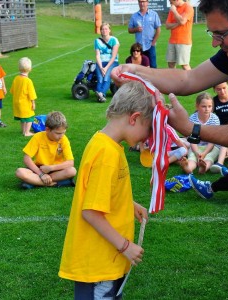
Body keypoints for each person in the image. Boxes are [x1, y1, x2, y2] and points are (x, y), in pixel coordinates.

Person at [111, 1, 228, 298]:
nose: (214, 43)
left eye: (220, 34)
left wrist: (193, 129)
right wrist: (134, 69)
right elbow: (188, 80)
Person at [58, 81, 153, 299]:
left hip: (106, 259)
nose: (146, 138)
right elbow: (90, 212)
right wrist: (125, 246)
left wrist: (129, 205)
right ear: (134, 118)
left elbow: (102, 193)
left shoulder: (109, 144)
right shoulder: (106, 155)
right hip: (98, 263)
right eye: (147, 129)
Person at [16, 111, 77, 189]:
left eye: (63, 133)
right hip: (39, 169)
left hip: (56, 169)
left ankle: (33, 182)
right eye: (58, 133)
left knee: (72, 171)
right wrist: (41, 174)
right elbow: (26, 158)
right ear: (47, 129)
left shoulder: (64, 139)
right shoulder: (38, 137)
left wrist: (51, 168)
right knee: (20, 172)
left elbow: (70, 163)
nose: (61, 136)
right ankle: (53, 183)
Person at [182, 92, 220, 174]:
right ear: (197, 106)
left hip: (211, 146)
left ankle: (204, 168)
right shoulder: (193, 118)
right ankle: (188, 168)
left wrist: (205, 152)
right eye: (204, 106)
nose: (207, 109)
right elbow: (192, 139)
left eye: (209, 106)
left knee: (210, 157)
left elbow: (213, 139)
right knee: (192, 157)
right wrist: (196, 153)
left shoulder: (215, 119)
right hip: (196, 145)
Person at [128, 0, 161, 68]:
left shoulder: (154, 14)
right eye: (140, 2)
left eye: (144, 1)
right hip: (139, 47)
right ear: (138, 3)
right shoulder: (134, 16)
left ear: (147, 2)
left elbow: (158, 29)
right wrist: (136, 29)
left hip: (150, 45)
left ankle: (153, 79)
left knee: (153, 66)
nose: (142, 3)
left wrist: (153, 42)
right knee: (140, 67)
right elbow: (129, 30)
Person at [10, 57, 37, 137]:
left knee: (22, 118)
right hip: (25, 103)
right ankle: (27, 132)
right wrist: (33, 103)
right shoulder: (28, 81)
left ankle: (23, 130)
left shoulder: (16, 78)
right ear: (30, 69)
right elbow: (31, 94)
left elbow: (12, 90)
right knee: (30, 117)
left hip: (17, 103)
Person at [94, 22, 120, 103]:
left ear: (109, 30)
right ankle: (101, 96)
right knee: (100, 79)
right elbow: (97, 55)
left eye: (106, 29)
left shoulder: (114, 40)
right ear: (100, 31)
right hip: (101, 62)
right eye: (102, 29)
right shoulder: (97, 41)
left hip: (112, 62)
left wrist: (106, 67)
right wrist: (101, 67)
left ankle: (100, 93)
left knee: (106, 77)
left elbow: (113, 56)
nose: (104, 31)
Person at [165, 0, 194, 70]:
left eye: (171, 2)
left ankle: (191, 80)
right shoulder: (173, 8)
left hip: (184, 41)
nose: (170, 4)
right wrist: (178, 24)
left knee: (184, 65)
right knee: (170, 63)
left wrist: (175, 11)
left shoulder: (188, 7)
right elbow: (167, 26)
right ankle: (173, 80)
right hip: (172, 41)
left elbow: (182, 21)